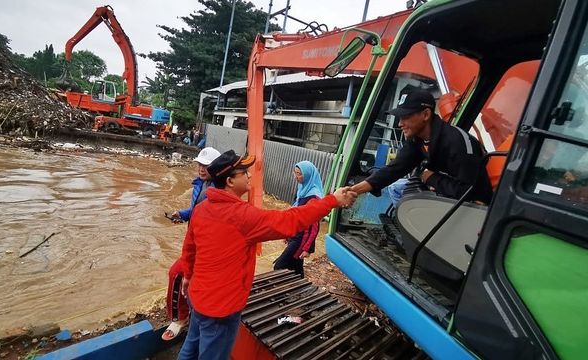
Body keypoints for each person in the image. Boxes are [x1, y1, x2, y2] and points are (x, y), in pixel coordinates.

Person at [177, 150, 357, 360]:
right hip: (221, 308)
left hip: (198, 296)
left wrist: (188, 276)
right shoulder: (243, 216)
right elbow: (291, 221)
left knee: (191, 347)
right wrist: (332, 200)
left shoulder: (201, 209)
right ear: (229, 181)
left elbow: (189, 250)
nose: (250, 176)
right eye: (244, 172)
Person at [350, 89, 493, 207]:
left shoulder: (457, 143)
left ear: (425, 114)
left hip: (474, 206)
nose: (400, 124)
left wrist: (430, 178)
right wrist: (354, 190)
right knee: (396, 188)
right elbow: (394, 169)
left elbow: (469, 191)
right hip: (444, 189)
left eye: (405, 116)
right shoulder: (417, 139)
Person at [162, 147, 221, 341]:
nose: (201, 169)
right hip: (193, 239)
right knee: (188, 277)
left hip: (204, 244)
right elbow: (196, 210)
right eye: (200, 164)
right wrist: (183, 214)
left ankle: (180, 318)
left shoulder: (218, 190)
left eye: (206, 166)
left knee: (177, 273)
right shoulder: (200, 184)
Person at [273, 161, 324, 276]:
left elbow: (314, 227)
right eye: (295, 173)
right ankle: (301, 290)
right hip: (295, 235)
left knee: (279, 266)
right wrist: (287, 234)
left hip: (300, 239)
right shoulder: (302, 190)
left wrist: (307, 248)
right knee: (295, 267)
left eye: (299, 174)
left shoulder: (313, 197)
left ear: (308, 176)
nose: (296, 177)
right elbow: (295, 215)